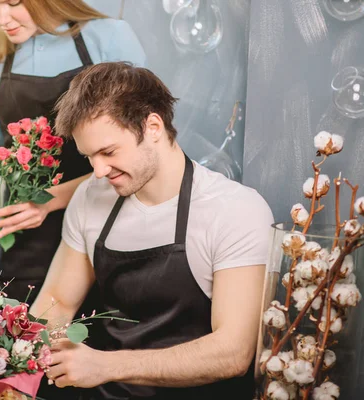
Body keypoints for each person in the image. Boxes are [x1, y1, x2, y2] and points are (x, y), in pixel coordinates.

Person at [29, 62, 274, 400]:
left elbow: (232, 353)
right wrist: (32, 357)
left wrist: (105, 366)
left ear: (153, 127)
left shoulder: (234, 210)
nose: (98, 171)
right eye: (89, 157)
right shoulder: (91, 197)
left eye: (108, 152)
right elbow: (55, 305)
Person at [0, 0, 146, 306]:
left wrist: (48, 202)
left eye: (13, 2)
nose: (2, 18)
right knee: (18, 344)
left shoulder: (109, 37)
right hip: (26, 240)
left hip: (107, 230)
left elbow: (136, 150)